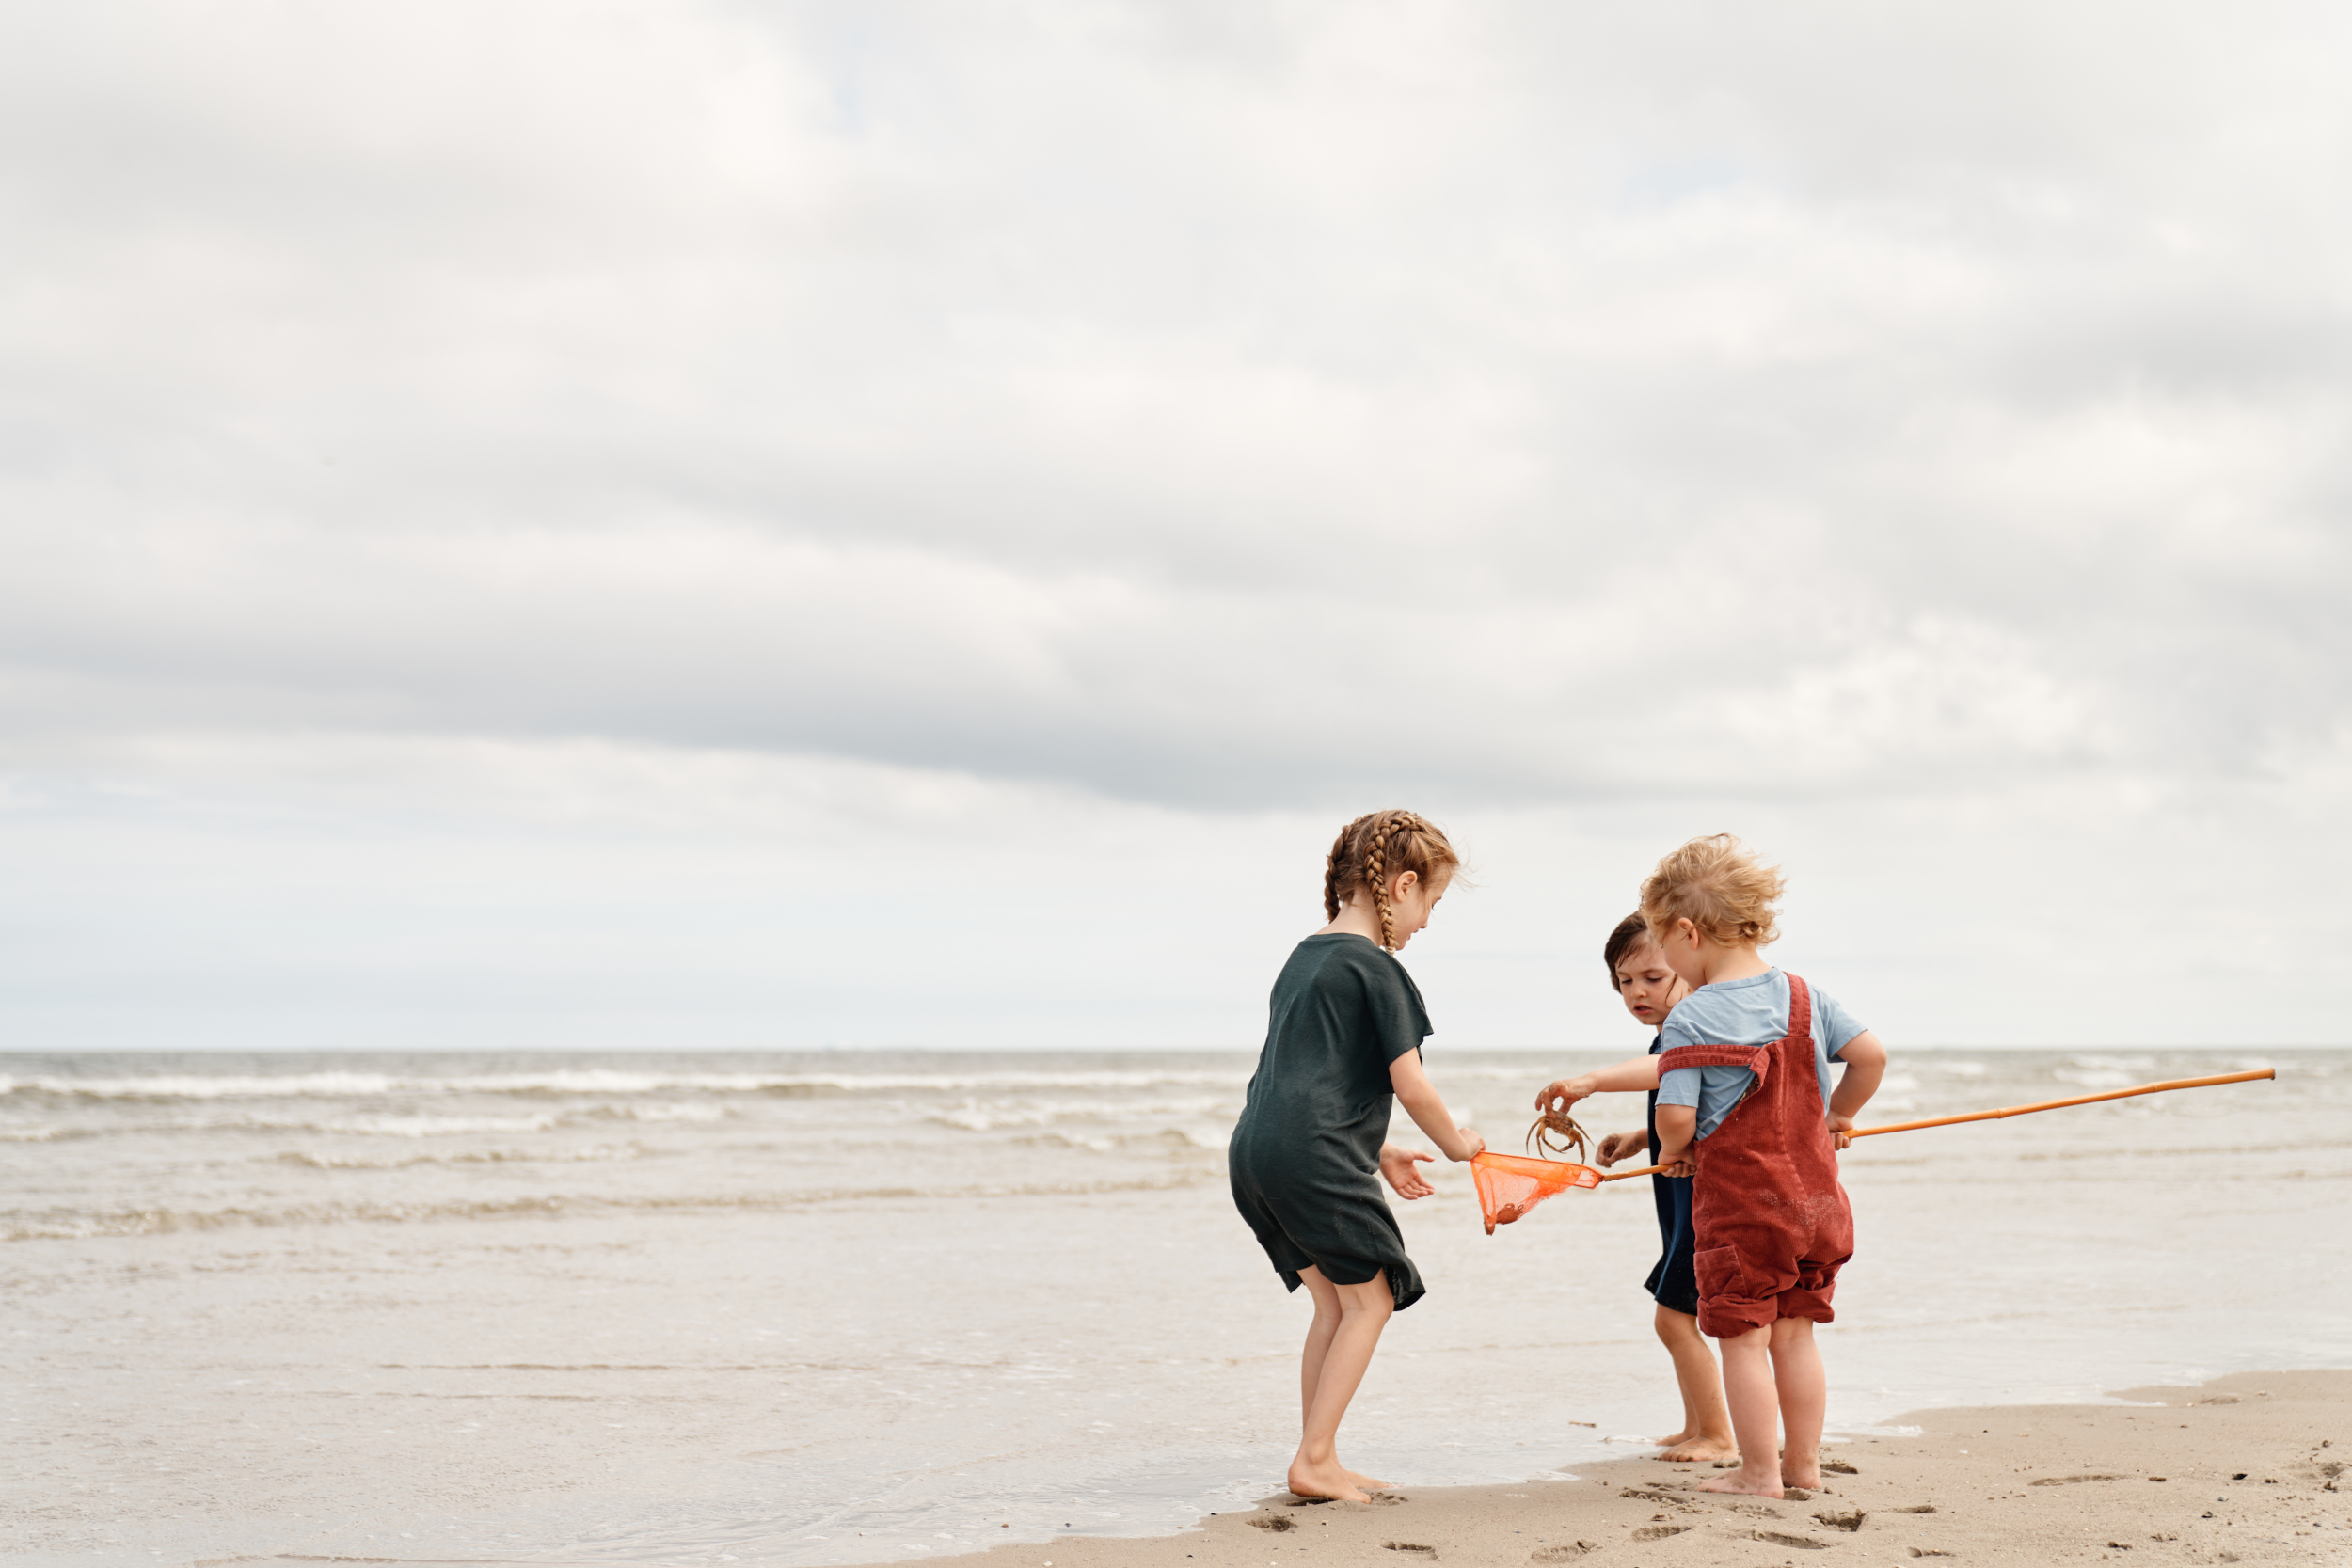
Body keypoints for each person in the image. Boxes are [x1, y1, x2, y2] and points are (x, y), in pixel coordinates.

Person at [1228, 810, 1486, 1503]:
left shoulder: (1305, 955)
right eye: (1430, 902)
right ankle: (1313, 1459)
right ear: (1402, 885)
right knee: (1371, 1297)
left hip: (1257, 1153)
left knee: (1334, 1304)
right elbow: (1412, 1083)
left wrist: (1379, 1148)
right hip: (1311, 1158)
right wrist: (1457, 1144)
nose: (1427, 921)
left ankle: (1323, 1456)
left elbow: (1308, 1084)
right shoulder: (1379, 970)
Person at [1643, 833, 1886, 1497]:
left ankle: (1757, 1473)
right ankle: (1802, 1469)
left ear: (1688, 931)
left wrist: (1673, 1152)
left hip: (1744, 1212)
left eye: (1663, 944)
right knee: (1796, 1335)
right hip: (1817, 1205)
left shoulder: (1691, 1017)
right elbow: (1870, 1058)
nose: (1665, 959)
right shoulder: (1805, 995)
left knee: (1743, 1340)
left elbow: (1675, 1119)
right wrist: (1838, 1116)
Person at [1563, 914, 1737, 1463]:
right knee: (1678, 1312)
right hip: (1678, 1198)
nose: (1637, 992)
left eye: (1653, 977)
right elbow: (1690, 1100)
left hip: (1706, 1200)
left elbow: (1672, 1073)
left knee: (1674, 1315)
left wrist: (1591, 1081)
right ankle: (1695, 1425)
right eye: (1624, 981)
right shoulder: (1674, 1029)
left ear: (1685, 967)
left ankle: (1717, 1432)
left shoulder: (1691, 1026)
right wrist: (1643, 1139)